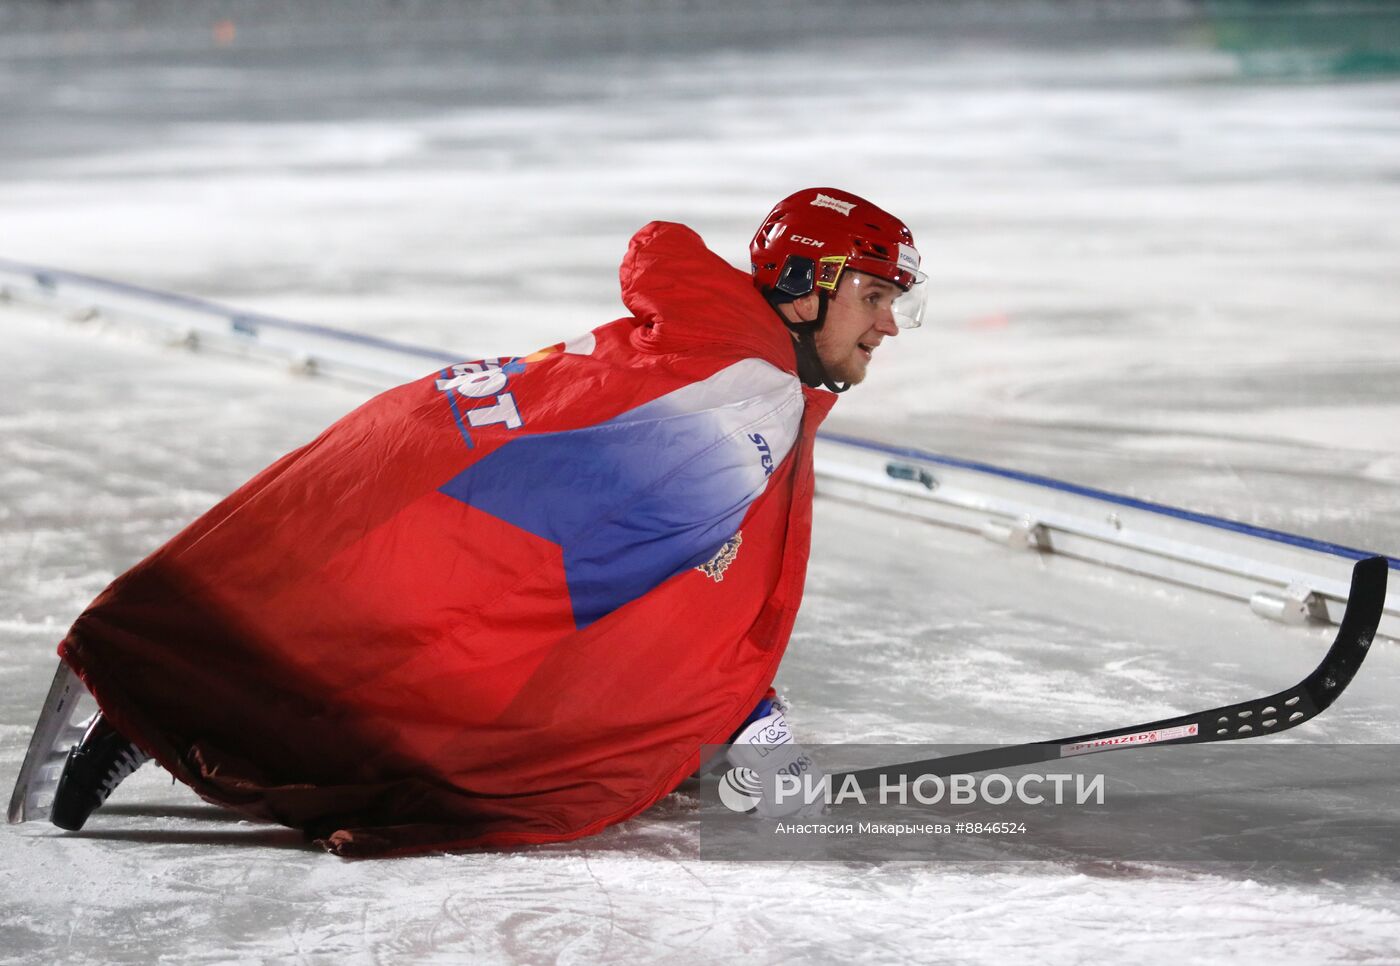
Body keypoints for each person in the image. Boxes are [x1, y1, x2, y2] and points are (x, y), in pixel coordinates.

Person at [41, 187, 924, 855]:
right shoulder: (749, 387)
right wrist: (733, 714)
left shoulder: (734, 348)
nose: (888, 326)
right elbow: (669, 580)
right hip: (447, 479)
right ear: (808, 285)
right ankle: (154, 711)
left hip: (416, 444)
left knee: (333, 617)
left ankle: (148, 707)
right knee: (411, 662)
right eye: (876, 297)